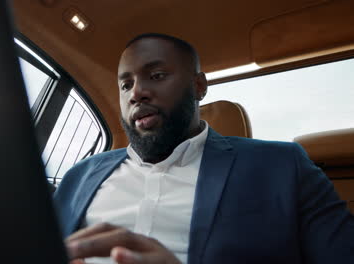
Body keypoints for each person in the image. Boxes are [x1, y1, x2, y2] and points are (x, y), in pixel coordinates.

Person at [54, 33, 354, 264]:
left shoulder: (283, 166)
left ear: (199, 86)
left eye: (156, 76)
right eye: (125, 84)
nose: (137, 93)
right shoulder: (80, 175)